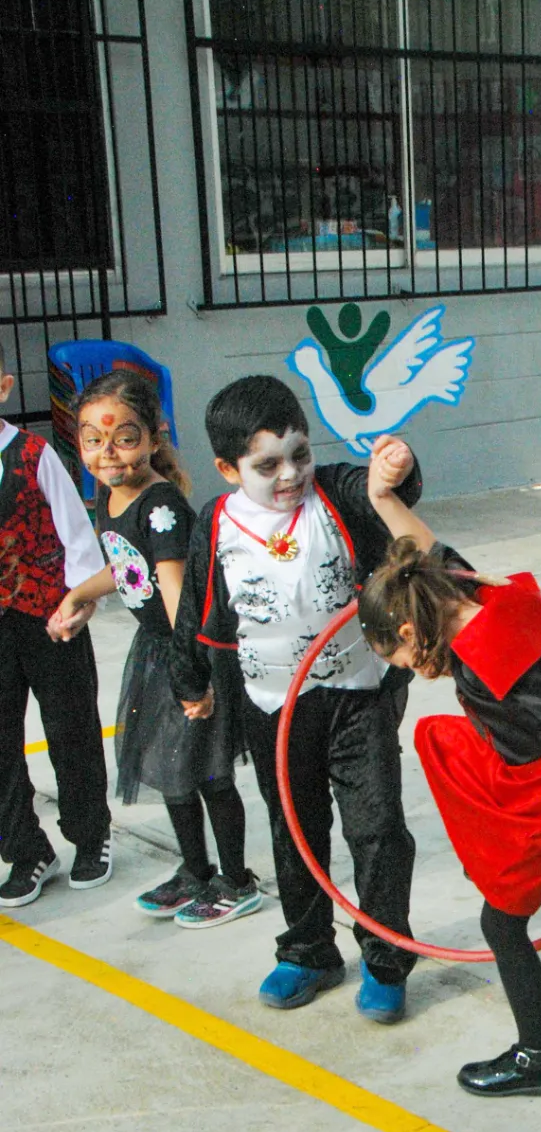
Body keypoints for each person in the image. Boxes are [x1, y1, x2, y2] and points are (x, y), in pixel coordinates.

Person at [170, 377, 428, 1020]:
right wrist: (191, 680)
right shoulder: (218, 524)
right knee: (295, 831)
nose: (289, 474)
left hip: (357, 694)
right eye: (267, 465)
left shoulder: (334, 493)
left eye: (299, 455)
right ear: (229, 469)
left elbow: (385, 495)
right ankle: (309, 950)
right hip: (273, 706)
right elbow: (197, 610)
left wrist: (398, 468)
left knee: (377, 829)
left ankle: (386, 956)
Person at [358, 532, 541, 1097]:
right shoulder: (467, 592)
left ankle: (538, 1056)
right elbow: (423, 545)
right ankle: (492, 860)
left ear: (407, 632)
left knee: (500, 924)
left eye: (398, 659)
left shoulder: (485, 662)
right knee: (438, 737)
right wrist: (382, 492)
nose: (407, 669)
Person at [47, 371, 257, 928]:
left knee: (210, 773)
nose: (107, 453)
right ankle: (195, 870)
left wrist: (194, 679)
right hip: (158, 652)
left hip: (188, 652)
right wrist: (77, 596)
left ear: (154, 438)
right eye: (93, 439)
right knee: (171, 768)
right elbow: (125, 569)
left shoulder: (160, 506)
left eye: (124, 438)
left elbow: (175, 597)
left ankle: (236, 880)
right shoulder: (111, 494)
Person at [0, 338, 112, 908]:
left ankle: (90, 835)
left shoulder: (32, 454)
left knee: (70, 728)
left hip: (48, 614)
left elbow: (75, 534)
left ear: (3, 387)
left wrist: (79, 602)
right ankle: (24, 848)